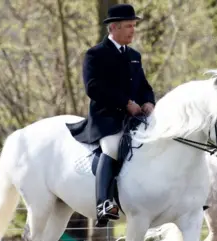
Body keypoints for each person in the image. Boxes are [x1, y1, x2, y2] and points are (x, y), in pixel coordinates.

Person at [66, 4, 156, 227]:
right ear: (113, 27)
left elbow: (144, 86)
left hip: (135, 119)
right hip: (107, 119)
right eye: (128, 26)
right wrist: (125, 103)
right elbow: (93, 87)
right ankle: (104, 204)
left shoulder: (134, 55)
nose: (133, 30)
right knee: (112, 148)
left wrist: (148, 102)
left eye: (134, 26)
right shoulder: (95, 54)